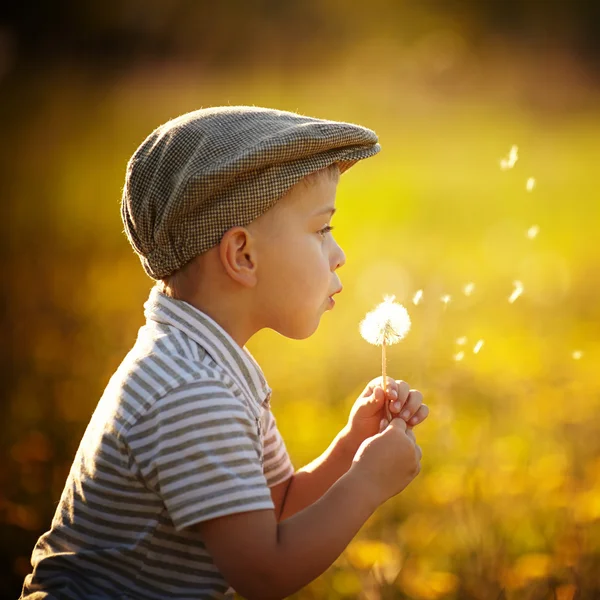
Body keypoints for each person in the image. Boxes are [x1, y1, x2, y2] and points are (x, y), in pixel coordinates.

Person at [21, 106, 429, 600]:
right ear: (243, 256)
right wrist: (366, 483)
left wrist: (349, 448)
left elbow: (276, 510)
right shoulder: (192, 391)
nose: (339, 253)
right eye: (322, 230)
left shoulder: (208, 364)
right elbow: (263, 573)